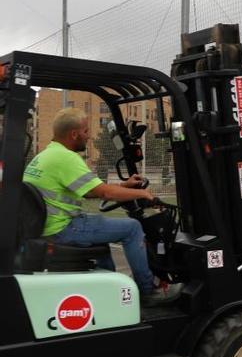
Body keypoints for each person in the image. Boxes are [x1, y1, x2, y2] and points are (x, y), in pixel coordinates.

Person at [23, 107, 181, 306]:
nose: (88, 136)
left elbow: (90, 190)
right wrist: (143, 193)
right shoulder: (66, 158)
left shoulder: (46, 155)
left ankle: (109, 294)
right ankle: (148, 291)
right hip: (63, 228)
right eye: (86, 131)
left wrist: (124, 186)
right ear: (74, 134)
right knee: (132, 228)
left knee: (104, 239)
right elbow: (105, 193)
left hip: (49, 226)